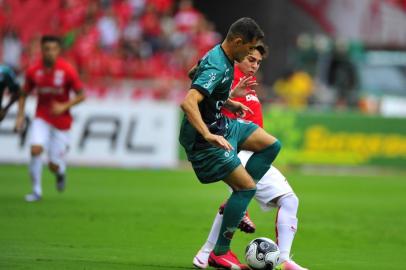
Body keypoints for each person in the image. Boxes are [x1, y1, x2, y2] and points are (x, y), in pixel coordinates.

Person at [192, 44, 309, 270]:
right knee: (245, 195)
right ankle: (279, 259)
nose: (255, 66)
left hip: (255, 152)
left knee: (281, 200)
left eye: (258, 62)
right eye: (250, 60)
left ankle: (207, 252)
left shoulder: (248, 81)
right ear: (237, 56)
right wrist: (230, 96)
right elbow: (200, 93)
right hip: (238, 149)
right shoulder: (225, 73)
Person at [179, 17, 282, 270]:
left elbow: (195, 75)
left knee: (271, 145)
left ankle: (238, 202)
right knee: (247, 188)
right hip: (206, 139)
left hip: (222, 124)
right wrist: (207, 134)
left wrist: (227, 102)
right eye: (248, 50)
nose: (250, 55)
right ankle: (220, 252)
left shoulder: (219, 56)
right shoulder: (217, 64)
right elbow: (189, 102)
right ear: (237, 42)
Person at [15, 35, 86, 202]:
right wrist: (19, 116)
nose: (50, 53)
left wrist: (64, 106)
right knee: (35, 150)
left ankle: (60, 172)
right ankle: (36, 191)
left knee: (53, 165)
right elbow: (23, 94)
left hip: (62, 123)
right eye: (47, 49)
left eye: (54, 49)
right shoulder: (33, 71)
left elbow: (82, 95)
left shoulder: (67, 70)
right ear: (42, 50)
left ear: (59, 51)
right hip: (42, 117)